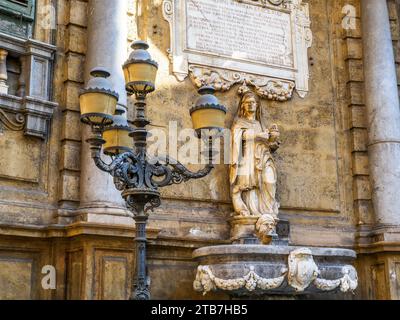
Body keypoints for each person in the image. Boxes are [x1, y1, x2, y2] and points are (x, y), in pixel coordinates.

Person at [230, 90, 280, 241]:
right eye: (248, 103)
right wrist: (257, 135)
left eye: (254, 103)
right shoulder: (240, 122)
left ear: (257, 106)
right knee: (250, 188)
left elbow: (270, 144)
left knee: (269, 182)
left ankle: (268, 211)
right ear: (243, 106)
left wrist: (272, 140)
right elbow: (237, 136)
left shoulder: (259, 123)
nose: (251, 105)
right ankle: (253, 212)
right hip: (248, 158)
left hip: (264, 157)